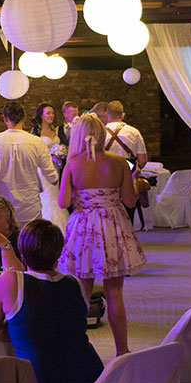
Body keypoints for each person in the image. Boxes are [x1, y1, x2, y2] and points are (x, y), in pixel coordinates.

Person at [0, 219, 103, 383]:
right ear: (58, 254)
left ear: (22, 254)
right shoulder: (75, 284)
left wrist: (26, 333)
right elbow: (71, 326)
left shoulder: (10, 281)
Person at [58, 113, 145, 356]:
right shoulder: (119, 162)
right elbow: (129, 200)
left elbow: (63, 201)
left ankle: (76, 349)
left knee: (83, 292)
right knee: (115, 293)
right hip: (112, 225)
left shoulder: (72, 164)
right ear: (101, 134)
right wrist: (135, 184)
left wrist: (79, 194)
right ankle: (122, 350)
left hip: (83, 226)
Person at [0, 101, 58, 224]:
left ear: (5, 118)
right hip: (30, 207)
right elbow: (53, 178)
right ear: (24, 117)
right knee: (30, 242)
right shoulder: (37, 142)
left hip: (3, 208)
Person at [31, 103, 70, 232]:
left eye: (52, 113)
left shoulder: (55, 130)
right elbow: (33, 152)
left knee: (57, 192)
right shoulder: (36, 132)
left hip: (57, 167)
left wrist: (62, 153)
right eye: (48, 113)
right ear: (41, 115)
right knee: (47, 195)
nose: (51, 115)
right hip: (43, 169)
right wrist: (50, 156)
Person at [104, 100, 148, 170]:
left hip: (106, 173)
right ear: (123, 115)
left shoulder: (100, 132)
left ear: (106, 114)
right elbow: (143, 160)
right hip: (128, 172)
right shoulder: (134, 132)